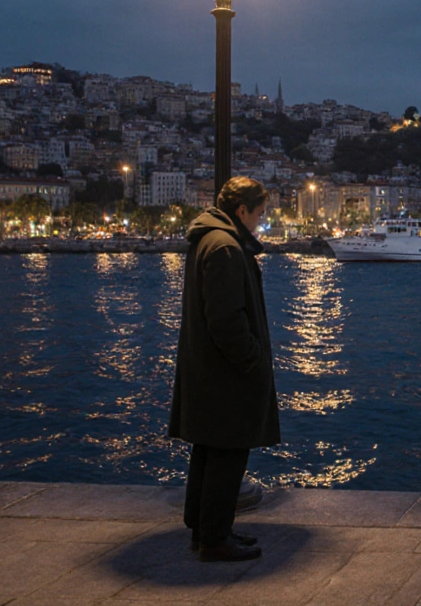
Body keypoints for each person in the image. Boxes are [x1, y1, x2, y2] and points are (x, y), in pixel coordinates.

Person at [169, 176, 280, 562]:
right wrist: (254, 361)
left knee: (209, 450)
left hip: (208, 370)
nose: (260, 223)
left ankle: (207, 529)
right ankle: (215, 541)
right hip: (226, 376)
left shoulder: (210, 240)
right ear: (241, 211)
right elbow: (226, 321)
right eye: (259, 215)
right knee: (228, 453)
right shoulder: (225, 248)